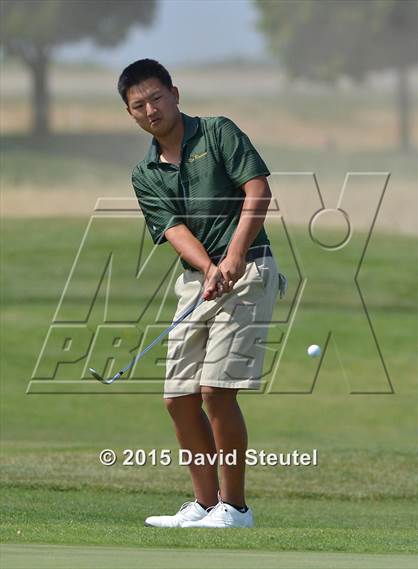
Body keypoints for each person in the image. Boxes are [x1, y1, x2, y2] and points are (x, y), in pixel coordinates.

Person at [117, 59, 285, 528]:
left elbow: (258, 192)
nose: (150, 110)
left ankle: (235, 509)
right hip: (199, 281)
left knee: (216, 391)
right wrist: (210, 267)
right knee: (178, 397)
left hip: (250, 270)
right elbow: (173, 230)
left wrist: (232, 258)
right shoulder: (145, 172)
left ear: (174, 93)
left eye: (156, 97)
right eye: (138, 105)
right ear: (131, 115)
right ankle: (205, 505)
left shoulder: (217, 133)